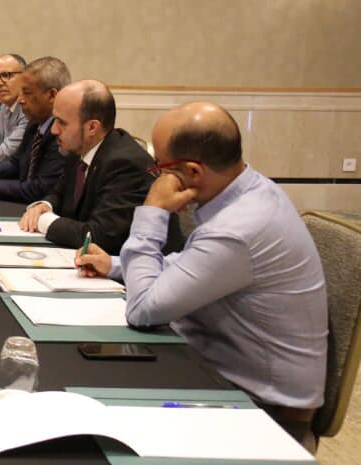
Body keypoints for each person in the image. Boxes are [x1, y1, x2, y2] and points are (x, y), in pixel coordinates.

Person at [76, 102, 328, 446]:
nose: (156, 178)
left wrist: (152, 210)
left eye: (159, 168)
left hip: (261, 409)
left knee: (92, 420)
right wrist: (117, 265)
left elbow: (142, 310)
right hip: (216, 369)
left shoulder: (240, 227)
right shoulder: (250, 190)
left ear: (193, 172)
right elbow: (191, 265)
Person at [17, 80, 183, 254]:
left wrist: (43, 220)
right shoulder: (78, 147)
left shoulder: (125, 164)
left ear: (91, 127)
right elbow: (60, 193)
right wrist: (45, 206)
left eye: (61, 122)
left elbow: (100, 236)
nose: (54, 130)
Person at [0, 56, 71, 203]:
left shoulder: (61, 133)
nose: (20, 100)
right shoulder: (35, 123)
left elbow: (40, 189)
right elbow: (16, 163)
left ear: (51, 95)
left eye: (27, 93)